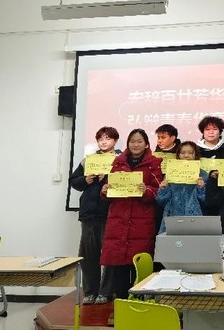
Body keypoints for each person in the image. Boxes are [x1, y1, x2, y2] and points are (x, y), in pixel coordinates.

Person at [98, 128, 161, 303]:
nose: (136, 144)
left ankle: (139, 308)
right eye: (132, 141)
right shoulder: (118, 162)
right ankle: (121, 308)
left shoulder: (154, 163)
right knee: (118, 269)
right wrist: (105, 190)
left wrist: (146, 190)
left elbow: (159, 191)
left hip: (141, 222)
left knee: (139, 268)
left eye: (140, 141)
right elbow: (109, 189)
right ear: (127, 144)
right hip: (118, 221)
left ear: (146, 144)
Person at [69, 126, 121, 305]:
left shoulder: (120, 159)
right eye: (100, 139)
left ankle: (107, 292)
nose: (104, 142)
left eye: (108, 138)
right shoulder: (89, 160)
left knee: (110, 254)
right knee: (88, 254)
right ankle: (91, 291)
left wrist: (108, 178)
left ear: (115, 140)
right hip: (89, 213)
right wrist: (86, 180)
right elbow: (74, 181)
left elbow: (127, 181)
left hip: (111, 212)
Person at [156, 141, 208, 233]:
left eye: (190, 153)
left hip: (195, 220)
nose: (186, 155)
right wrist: (163, 190)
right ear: (178, 155)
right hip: (172, 218)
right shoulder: (170, 173)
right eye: (183, 153)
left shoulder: (203, 175)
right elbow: (161, 201)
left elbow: (207, 201)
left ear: (195, 155)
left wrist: (201, 189)